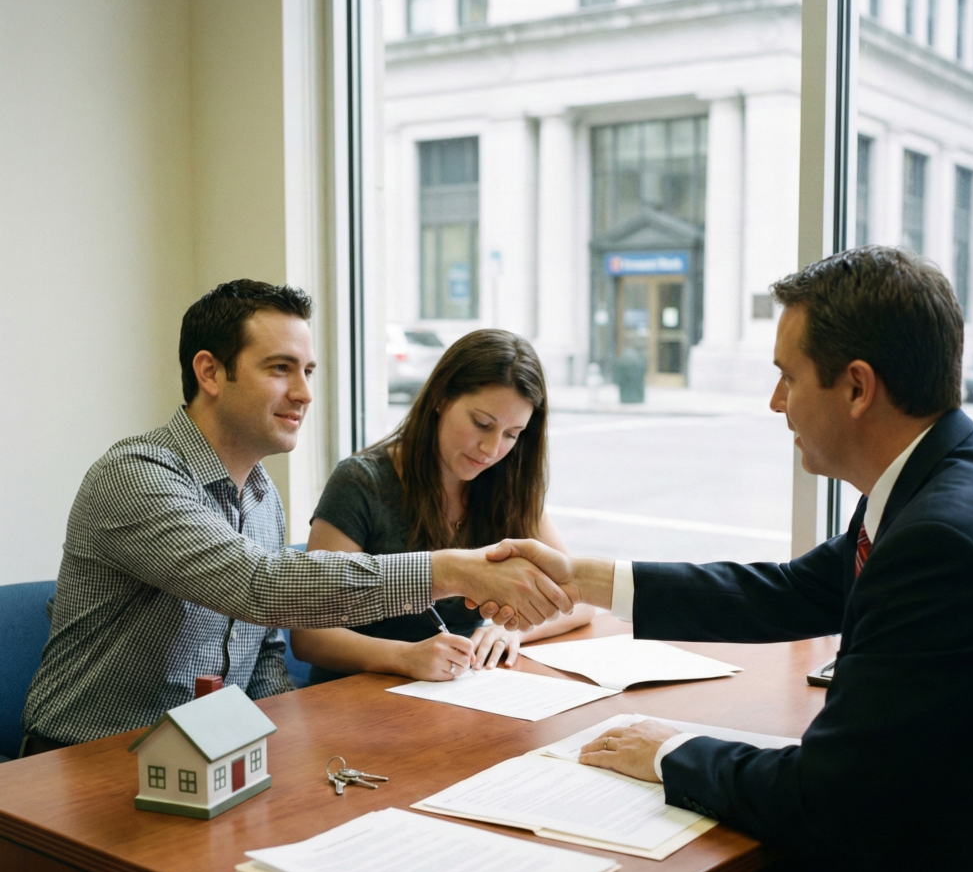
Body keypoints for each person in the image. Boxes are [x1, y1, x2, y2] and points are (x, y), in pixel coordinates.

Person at [488, 247, 973, 872]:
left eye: (787, 376)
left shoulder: (939, 540)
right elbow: (799, 588)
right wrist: (581, 578)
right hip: (954, 823)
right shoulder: (964, 467)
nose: (776, 403)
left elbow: (824, 801)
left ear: (857, 388)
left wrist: (669, 752)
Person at [20, 281, 571, 753]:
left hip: (211, 755)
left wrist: (292, 745)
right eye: (281, 369)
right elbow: (260, 586)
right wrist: (450, 569)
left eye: (307, 370)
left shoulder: (261, 497)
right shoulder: (136, 475)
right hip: (90, 756)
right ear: (210, 372)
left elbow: (264, 658)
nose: (305, 393)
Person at [290, 330, 595, 683]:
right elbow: (310, 636)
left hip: (460, 693)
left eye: (512, 434)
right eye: (481, 423)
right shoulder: (361, 482)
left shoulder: (508, 484)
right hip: (357, 699)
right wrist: (404, 656)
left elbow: (579, 598)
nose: (491, 449)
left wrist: (512, 631)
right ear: (439, 397)